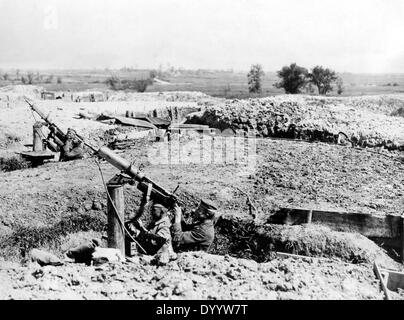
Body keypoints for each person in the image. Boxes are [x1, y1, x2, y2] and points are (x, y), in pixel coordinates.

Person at [126, 198, 177, 264]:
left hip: (159, 257)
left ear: (162, 211)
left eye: (154, 210)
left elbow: (156, 240)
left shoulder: (165, 225)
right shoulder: (157, 222)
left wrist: (140, 231)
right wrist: (139, 229)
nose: (152, 212)